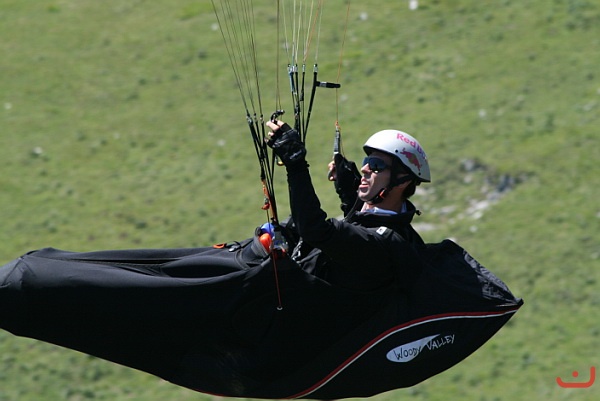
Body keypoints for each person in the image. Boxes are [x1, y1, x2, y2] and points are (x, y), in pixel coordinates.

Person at [265, 119, 431, 291]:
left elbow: (315, 230)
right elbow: (367, 221)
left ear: (402, 181)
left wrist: (296, 165)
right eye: (366, 161)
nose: (365, 168)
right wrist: (349, 188)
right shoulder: (393, 223)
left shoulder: (385, 243)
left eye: (376, 165)